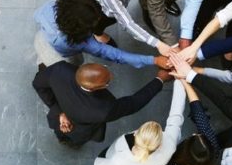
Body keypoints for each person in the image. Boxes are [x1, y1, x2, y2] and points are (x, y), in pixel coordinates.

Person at [77, 80, 186, 165]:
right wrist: (181, 80)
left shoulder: (119, 157)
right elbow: (176, 114)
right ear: (159, 144)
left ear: (136, 134)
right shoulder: (170, 144)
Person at [31, 62, 171, 149]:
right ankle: (69, 143)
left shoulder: (60, 70)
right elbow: (134, 103)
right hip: (80, 129)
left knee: (60, 132)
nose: (111, 78)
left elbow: (38, 83)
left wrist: (59, 111)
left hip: (59, 118)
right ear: (96, 88)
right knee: (74, 140)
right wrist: (160, 79)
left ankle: (62, 138)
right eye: (107, 81)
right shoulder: (103, 109)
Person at [34, 0, 171, 69]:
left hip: (41, 39)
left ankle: (41, 59)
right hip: (63, 56)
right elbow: (116, 55)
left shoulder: (49, 8)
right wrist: (154, 60)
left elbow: (36, 15)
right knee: (75, 63)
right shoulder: (83, 44)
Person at [138, 80, 217, 165]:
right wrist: (186, 82)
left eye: (192, 138)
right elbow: (200, 116)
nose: (194, 134)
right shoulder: (212, 146)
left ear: (185, 152)